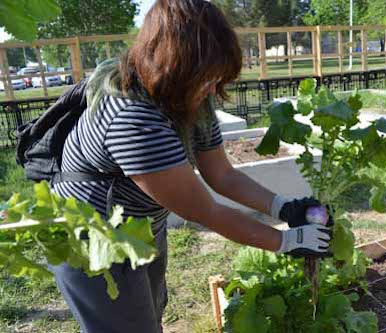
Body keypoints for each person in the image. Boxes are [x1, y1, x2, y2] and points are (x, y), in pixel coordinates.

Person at [49, 1, 332, 332]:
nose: (214, 89)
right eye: (208, 79)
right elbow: (207, 211)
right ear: (176, 68)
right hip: (93, 238)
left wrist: (285, 209)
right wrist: (288, 241)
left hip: (140, 226)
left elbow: (222, 174)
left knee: (150, 312)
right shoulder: (133, 118)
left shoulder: (193, 97)